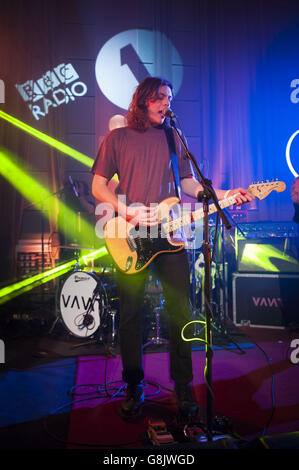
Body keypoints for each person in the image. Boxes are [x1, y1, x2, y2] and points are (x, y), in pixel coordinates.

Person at [91, 76, 254, 420]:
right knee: (132, 315)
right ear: (144, 100)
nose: (167, 102)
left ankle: (183, 387)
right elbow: (98, 186)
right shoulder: (117, 138)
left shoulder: (172, 135)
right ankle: (133, 385)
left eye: (169, 97)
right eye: (161, 97)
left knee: (182, 312)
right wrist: (125, 209)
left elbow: (187, 183)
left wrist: (223, 195)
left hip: (171, 237)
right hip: (131, 235)